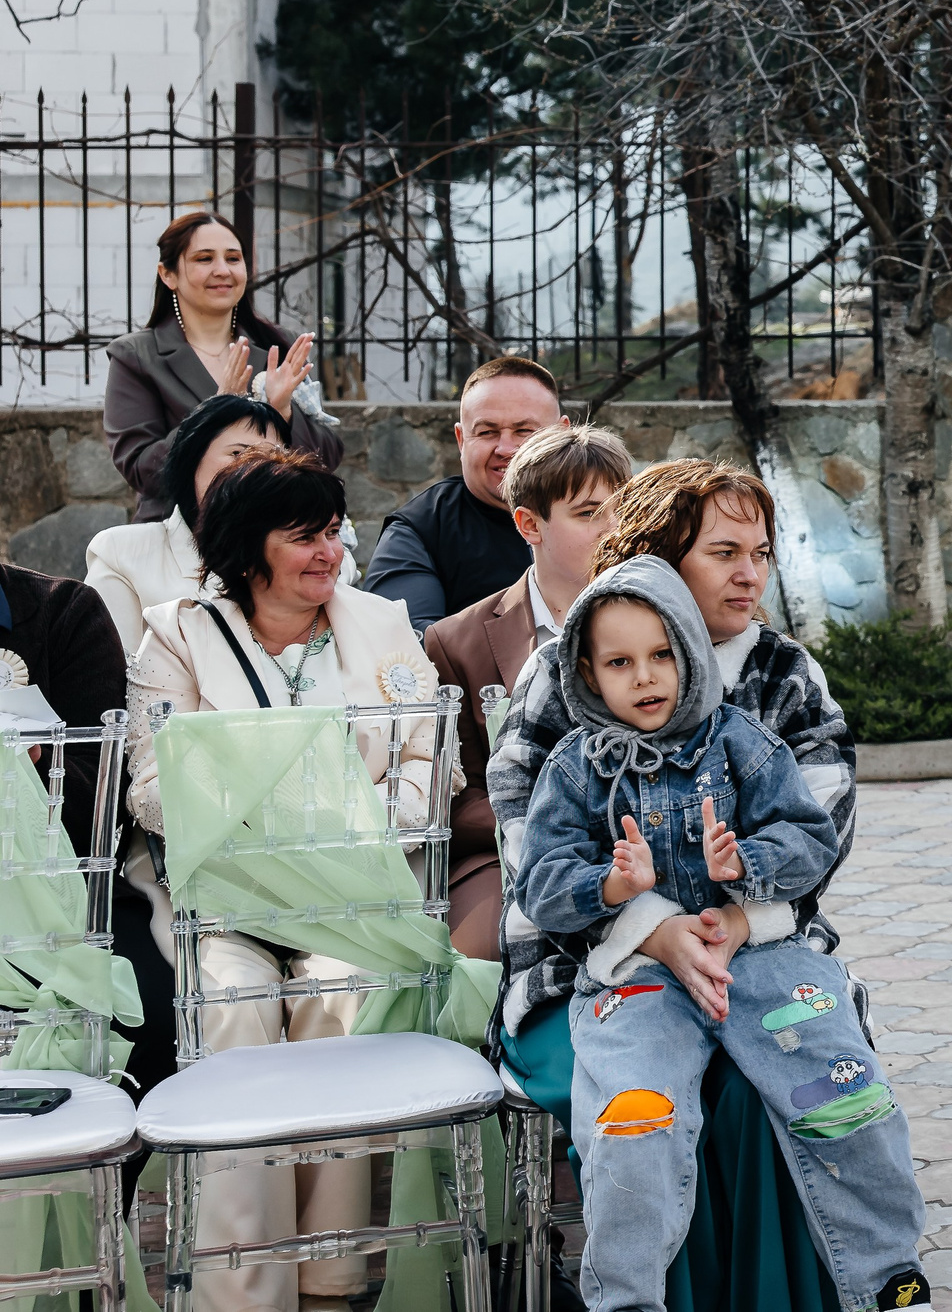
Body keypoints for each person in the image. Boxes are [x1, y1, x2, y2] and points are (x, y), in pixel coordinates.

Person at [488, 459, 856, 1312]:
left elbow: (825, 825)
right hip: (589, 965)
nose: (749, 573)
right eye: (723, 551)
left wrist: (734, 917)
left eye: (761, 551)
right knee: (655, 1099)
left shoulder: (785, 673)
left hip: (752, 954)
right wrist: (649, 923)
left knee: (770, 1088)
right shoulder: (574, 664)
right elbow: (522, 830)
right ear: (658, 561)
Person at [515, 556, 930, 1312]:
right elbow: (538, 884)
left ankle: (888, 1284)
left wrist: (748, 864)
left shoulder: (740, 740)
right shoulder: (576, 768)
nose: (645, 677)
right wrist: (612, 886)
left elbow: (811, 839)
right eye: (619, 661)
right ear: (587, 672)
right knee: (636, 1122)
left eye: (662, 653)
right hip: (638, 980)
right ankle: (628, 1300)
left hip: (762, 962)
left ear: (690, 650)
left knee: (845, 1098)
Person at [124, 452, 445, 1312]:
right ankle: (242, 1289)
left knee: (347, 994)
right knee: (230, 1010)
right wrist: (287, 807)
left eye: (333, 531)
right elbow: (148, 787)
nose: (327, 551)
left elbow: (429, 760)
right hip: (229, 901)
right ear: (244, 547)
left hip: (350, 899)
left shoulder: (381, 624)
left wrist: (350, 817)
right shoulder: (179, 631)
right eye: (302, 535)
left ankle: (331, 1275)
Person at [425, 422, 632, 962]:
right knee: (482, 948)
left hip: (647, 839)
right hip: (507, 851)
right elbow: (455, 791)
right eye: (588, 513)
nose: (612, 528)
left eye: (622, 509)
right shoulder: (455, 641)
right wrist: (554, 823)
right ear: (528, 523)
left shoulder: (665, 624)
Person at [0, 556, 177, 1108]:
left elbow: (99, 815)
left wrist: (30, 766)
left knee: (149, 1011)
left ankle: (103, 1189)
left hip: (64, 891)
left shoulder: (61, 611)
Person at [103, 212, 340, 523]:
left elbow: (327, 457)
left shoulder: (279, 345)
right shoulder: (136, 355)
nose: (222, 270)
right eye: (204, 259)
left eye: (233, 258)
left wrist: (283, 412)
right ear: (168, 274)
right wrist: (214, 411)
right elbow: (143, 470)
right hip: (183, 538)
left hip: (275, 532)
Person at [85, 395, 356, 654]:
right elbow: (113, 678)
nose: (255, 469)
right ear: (190, 463)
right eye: (239, 454)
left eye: (272, 457)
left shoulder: (329, 560)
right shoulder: (122, 554)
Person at [364, 355, 569, 633]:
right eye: (487, 432)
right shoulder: (420, 530)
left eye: (524, 431)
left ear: (562, 433)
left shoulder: (612, 519)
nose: (505, 448)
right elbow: (406, 640)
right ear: (461, 440)